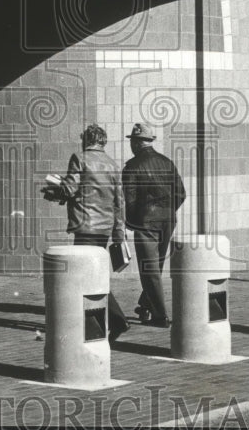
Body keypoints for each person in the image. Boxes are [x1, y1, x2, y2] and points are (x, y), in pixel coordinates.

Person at [58, 123, 131, 345]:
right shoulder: (112, 164)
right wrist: (119, 232)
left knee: (85, 275)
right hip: (105, 228)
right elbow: (120, 202)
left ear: (87, 139)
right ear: (103, 141)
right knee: (94, 274)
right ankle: (100, 320)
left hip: (85, 225)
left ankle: (115, 319)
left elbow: (70, 189)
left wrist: (55, 187)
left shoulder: (80, 158)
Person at [121, 122, 186, 328]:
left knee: (149, 270)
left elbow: (129, 200)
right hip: (167, 220)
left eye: (132, 141)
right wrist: (167, 211)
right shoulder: (167, 162)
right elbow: (181, 193)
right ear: (149, 142)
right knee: (155, 266)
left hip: (145, 223)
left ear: (138, 143)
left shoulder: (132, 166)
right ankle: (146, 304)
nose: (131, 145)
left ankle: (160, 316)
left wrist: (132, 223)